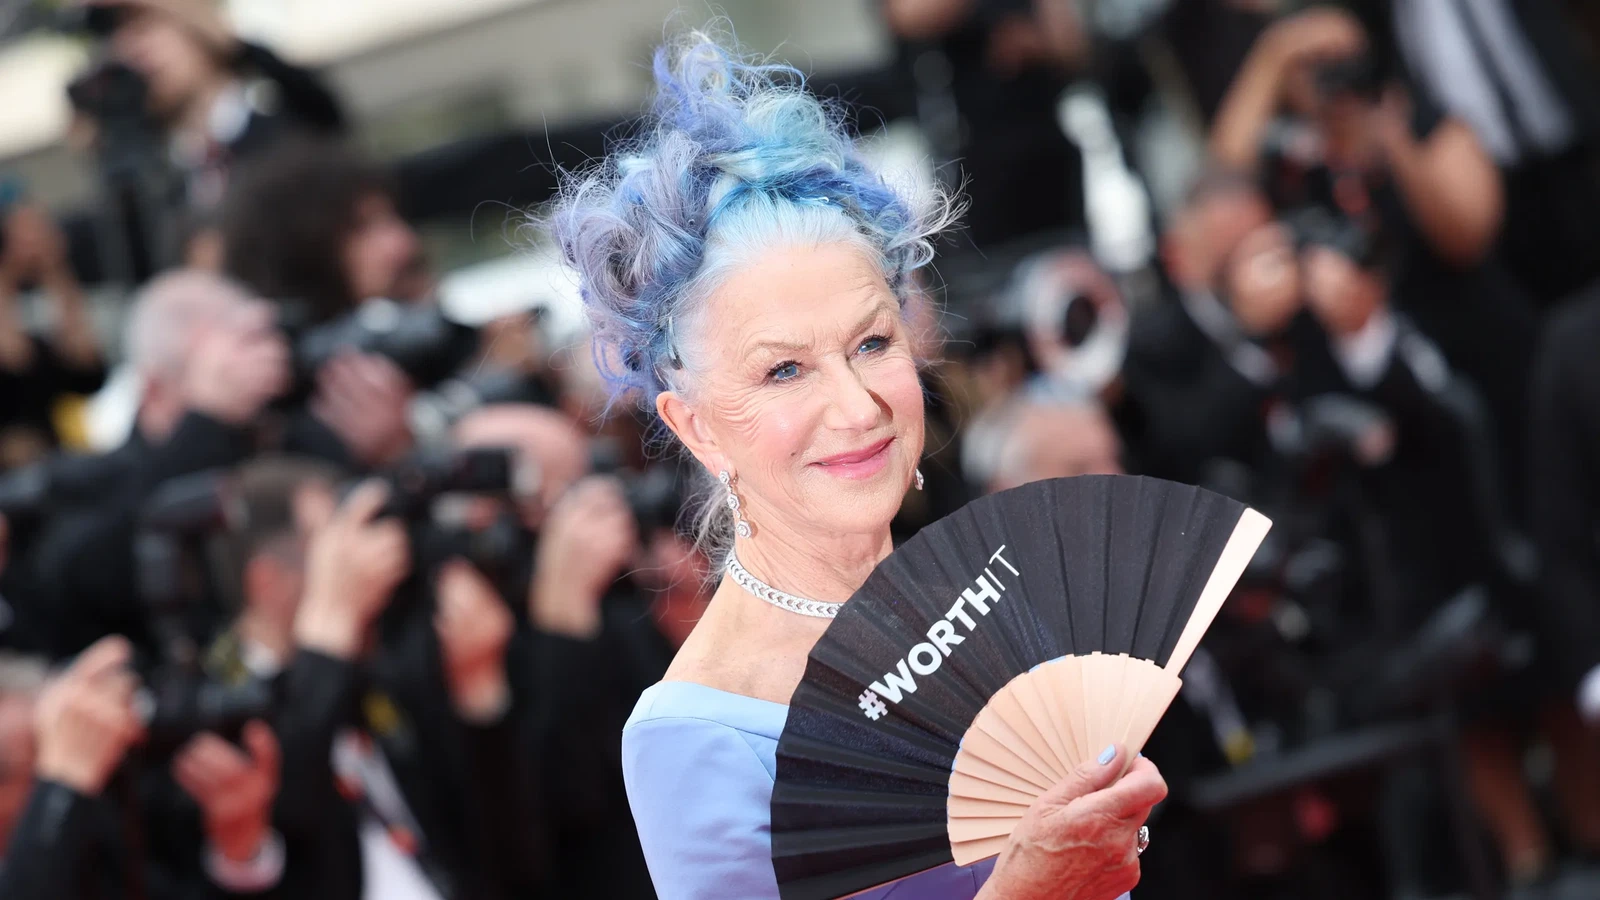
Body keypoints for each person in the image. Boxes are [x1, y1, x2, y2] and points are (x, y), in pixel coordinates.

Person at [549, 33, 1165, 900]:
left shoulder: (987, 610)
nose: (857, 405)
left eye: (872, 342)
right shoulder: (697, 736)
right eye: (784, 369)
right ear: (696, 428)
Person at [0, 201, 106, 470]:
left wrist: (54, 268)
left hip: (58, 460)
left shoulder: (40, 338)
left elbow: (87, 370)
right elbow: (15, 362)